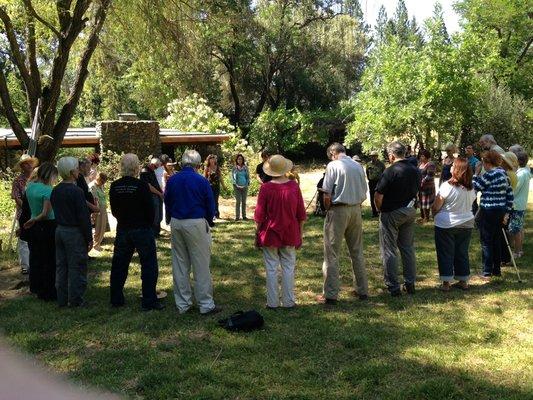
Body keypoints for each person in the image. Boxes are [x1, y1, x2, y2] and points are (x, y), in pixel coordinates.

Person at [165, 150, 220, 315]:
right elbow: (210, 204)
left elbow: (167, 200)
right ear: (197, 164)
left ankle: (183, 304)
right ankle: (205, 304)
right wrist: (209, 220)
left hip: (177, 221)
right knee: (201, 264)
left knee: (180, 263)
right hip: (195, 221)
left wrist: (170, 218)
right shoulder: (201, 180)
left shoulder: (173, 180)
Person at [109, 154, 164, 311]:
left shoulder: (115, 186)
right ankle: (149, 300)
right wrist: (148, 224)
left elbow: (114, 210)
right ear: (136, 167)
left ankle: (116, 298)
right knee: (148, 264)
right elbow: (150, 209)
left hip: (124, 228)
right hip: (141, 228)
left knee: (119, 264)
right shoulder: (141, 186)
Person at [317, 143, 369, 304]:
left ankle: (330, 294)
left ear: (333, 153)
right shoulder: (358, 166)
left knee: (331, 253)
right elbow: (364, 191)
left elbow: (326, 194)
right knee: (357, 251)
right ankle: (362, 290)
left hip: (338, 210)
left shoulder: (333, 165)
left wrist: (327, 209)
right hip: (356, 210)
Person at [254, 155, 306, 309]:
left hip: (270, 232)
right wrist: (300, 234)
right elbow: (301, 214)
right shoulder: (294, 187)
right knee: (288, 267)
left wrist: (257, 234)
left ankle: (272, 302)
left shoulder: (266, 188)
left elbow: (259, 215)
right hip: (290, 231)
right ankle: (288, 302)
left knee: (271, 268)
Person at [374, 141, 421, 297]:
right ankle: (410, 283)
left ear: (391, 155)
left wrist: (381, 210)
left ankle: (393, 286)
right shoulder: (415, 170)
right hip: (409, 210)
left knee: (389, 250)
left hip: (392, 212)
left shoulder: (390, 171)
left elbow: (378, 195)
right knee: (407, 248)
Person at [51, 157, 92, 307]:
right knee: (77, 266)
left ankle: (62, 299)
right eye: (76, 168)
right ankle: (76, 300)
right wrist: (89, 237)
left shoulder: (55, 190)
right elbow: (83, 217)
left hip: (60, 230)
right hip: (73, 232)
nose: (78, 171)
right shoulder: (76, 191)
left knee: (61, 266)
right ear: (71, 172)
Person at [432, 158, 476, 291]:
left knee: (445, 252)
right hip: (466, 222)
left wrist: (434, 215)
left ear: (457, 169)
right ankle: (463, 280)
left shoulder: (447, 186)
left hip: (447, 223)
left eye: (452, 165)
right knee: (462, 252)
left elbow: (436, 206)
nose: (450, 167)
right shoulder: (471, 187)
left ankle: (446, 282)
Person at [473, 150, 513, 279]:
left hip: (488, 210)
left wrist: (475, 174)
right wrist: (507, 213)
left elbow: (476, 187)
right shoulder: (504, 175)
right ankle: (496, 270)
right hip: (500, 210)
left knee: (486, 240)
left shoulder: (489, 174)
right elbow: (510, 196)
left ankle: (486, 271)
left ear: (486, 162)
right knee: (496, 239)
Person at [24, 162, 58, 301]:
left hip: (34, 227)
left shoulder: (30, 187)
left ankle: (36, 286)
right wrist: (34, 220)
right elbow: (45, 213)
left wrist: (32, 220)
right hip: (47, 225)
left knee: (36, 257)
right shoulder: (48, 190)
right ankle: (48, 291)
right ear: (50, 175)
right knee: (49, 259)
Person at [11, 154, 37, 274]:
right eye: (26, 163)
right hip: (23, 213)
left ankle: (35, 262)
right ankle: (25, 266)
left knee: (35, 237)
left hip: (37, 212)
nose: (29, 165)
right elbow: (17, 198)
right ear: (22, 166)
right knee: (23, 238)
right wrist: (28, 208)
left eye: (30, 162)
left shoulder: (36, 179)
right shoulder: (17, 180)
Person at [508, 151, 530, 258]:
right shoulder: (525, 171)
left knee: (515, 229)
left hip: (516, 205)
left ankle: (517, 252)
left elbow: (514, 189)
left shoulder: (521, 174)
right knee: (519, 228)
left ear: (518, 161)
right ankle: (519, 250)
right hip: (520, 204)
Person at [140, 160, 164, 238]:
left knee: (159, 215)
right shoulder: (145, 171)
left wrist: (161, 193)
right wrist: (159, 193)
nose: (156, 169)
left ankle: (157, 232)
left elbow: (155, 183)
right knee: (155, 215)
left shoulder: (151, 171)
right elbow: (149, 186)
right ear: (152, 164)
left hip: (157, 195)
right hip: (152, 196)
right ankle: (153, 233)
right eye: (155, 167)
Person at [89, 172, 108, 251]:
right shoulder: (92, 186)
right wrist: (96, 212)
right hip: (98, 209)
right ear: (98, 179)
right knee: (98, 227)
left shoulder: (101, 186)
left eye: (104, 182)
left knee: (102, 227)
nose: (103, 183)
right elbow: (94, 199)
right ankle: (95, 245)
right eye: (102, 181)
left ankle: (98, 244)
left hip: (103, 209)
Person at [418, 149, 436, 224]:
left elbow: (429, 176)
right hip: (420, 187)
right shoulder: (420, 164)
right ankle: (422, 217)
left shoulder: (430, 164)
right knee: (421, 202)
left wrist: (421, 182)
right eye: (420, 156)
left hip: (428, 187)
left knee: (427, 202)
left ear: (426, 157)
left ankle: (427, 218)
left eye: (422, 156)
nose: (421, 157)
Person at [204, 154, 225, 219]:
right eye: (211, 158)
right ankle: (211, 214)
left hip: (217, 186)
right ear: (209, 160)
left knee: (216, 200)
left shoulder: (217, 167)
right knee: (211, 200)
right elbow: (205, 178)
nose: (212, 160)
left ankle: (217, 214)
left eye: (214, 158)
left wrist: (224, 185)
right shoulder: (207, 168)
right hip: (209, 186)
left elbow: (220, 177)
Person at [366, 151, 385, 217]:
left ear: (377, 156)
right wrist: (369, 179)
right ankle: (374, 212)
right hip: (371, 183)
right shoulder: (368, 164)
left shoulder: (381, 164)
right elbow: (367, 173)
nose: (373, 157)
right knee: (372, 197)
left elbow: (384, 173)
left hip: (379, 182)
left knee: (380, 196)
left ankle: (380, 211)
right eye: (372, 156)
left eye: (374, 156)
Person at [232, 154, 250, 220]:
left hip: (244, 186)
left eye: (241, 159)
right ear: (236, 160)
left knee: (244, 202)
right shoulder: (234, 168)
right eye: (238, 159)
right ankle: (237, 217)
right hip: (236, 187)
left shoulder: (245, 168)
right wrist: (236, 185)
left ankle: (244, 216)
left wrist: (246, 184)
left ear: (243, 160)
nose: (240, 160)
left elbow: (248, 177)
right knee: (238, 201)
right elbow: (233, 178)